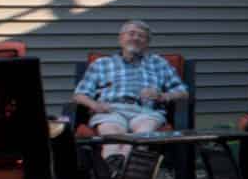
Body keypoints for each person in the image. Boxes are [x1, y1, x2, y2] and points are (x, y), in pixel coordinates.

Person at [73, 20, 189, 160]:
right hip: (111, 110)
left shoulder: (159, 63)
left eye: (141, 36)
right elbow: (79, 95)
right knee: (112, 138)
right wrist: (95, 105)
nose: (136, 38)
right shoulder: (102, 64)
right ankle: (126, 171)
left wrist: (162, 96)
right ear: (121, 38)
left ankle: (116, 170)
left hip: (146, 111)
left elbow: (183, 92)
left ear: (147, 43)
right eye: (131, 33)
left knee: (141, 137)